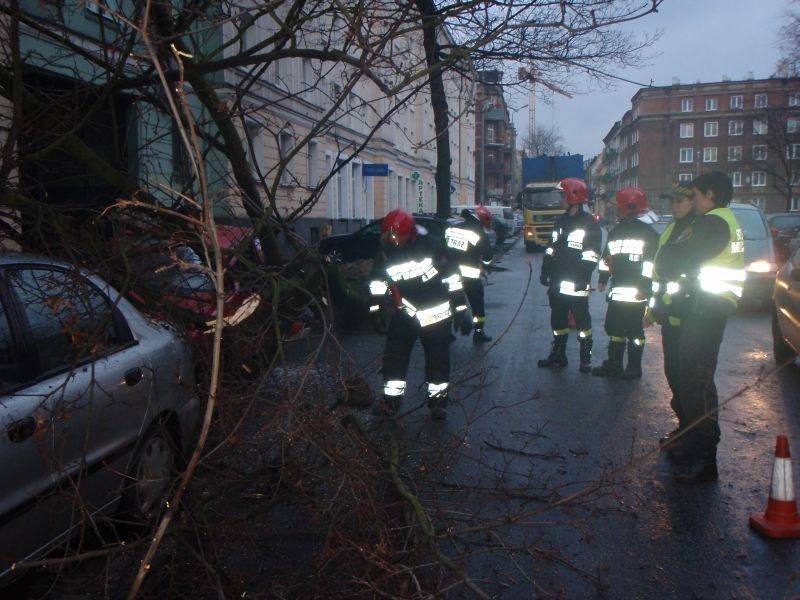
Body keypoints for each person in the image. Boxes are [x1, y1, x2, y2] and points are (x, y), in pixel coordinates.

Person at [650, 172, 745, 482]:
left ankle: (705, 460)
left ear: (710, 194)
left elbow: (678, 258)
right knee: (687, 379)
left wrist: (669, 263)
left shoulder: (714, 222)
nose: (693, 201)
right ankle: (692, 445)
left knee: (697, 383)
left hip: (706, 313)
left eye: (695, 195)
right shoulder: (715, 221)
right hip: (697, 312)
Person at [368, 209, 467, 420]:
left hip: (436, 315)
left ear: (410, 233)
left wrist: (461, 309)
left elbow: (453, 278)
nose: (395, 241)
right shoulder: (386, 250)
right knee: (394, 359)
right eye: (390, 237)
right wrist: (376, 309)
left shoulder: (433, 246)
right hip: (405, 313)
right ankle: (390, 402)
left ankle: (438, 404)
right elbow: (378, 280)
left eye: (398, 237)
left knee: (437, 361)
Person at [592, 187, 660, 379]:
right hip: (619, 290)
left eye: (619, 208)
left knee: (634, 330)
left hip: (637, 292)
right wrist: (603, 278)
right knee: (614, 327)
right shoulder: (617, 231)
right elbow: (607, 258)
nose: (616, 211)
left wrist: (645, 287)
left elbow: (650, 264)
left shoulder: (647, 234)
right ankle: (614, 364)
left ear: (629, 208)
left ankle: (634, 366)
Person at [648, 183, 697, 449]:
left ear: (693, 202)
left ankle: (691, 433)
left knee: (687, 377)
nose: (674, 205)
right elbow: (659, 272)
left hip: (688, 318)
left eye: (680, 201)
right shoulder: (671, 229)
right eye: (672, 201)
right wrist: (655, 308)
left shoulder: (696, 229)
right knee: (673, 373)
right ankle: (684, 425)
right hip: (670, 315)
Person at [538, 177, 602, 372]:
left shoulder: (589, 223)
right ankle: (558, 355)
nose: (560, 199)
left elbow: (592, 255)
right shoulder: (561, 221)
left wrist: (581, 276)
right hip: (557, 282)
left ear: (573, 197)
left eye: (562, 195)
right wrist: (545, 270)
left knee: (583, 322)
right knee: (558, 322)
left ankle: (585, 358)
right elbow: (551, 248)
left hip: (577, 284)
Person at [445, 206, 495, 344]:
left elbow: (442, 249)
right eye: (486, 220)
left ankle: (446, 333)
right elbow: (488, 255)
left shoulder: (452, 228)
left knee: (448, 303)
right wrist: (485, 264)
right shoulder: (477, 232)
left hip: (449, 274)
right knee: (477, 305)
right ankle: (478, 333)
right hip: (470, 276)